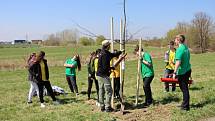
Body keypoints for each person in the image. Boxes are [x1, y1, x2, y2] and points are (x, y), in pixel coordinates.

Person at [96, 40, 122, 112]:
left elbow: (113, 55)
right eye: (109, 45)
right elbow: (104, 67)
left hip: (99, 74)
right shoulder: (105, 54)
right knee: (109, 91)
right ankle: (108, 107)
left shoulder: (103, 52)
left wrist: (120, 52)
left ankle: (102, 106)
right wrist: (111, 69)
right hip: (103, 75)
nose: (110, 46)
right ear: (107, 46)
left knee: (101, 90)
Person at [173, 34, 192, 111]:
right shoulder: (186, 48)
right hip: (188, 70)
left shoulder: (179, 49)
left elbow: (178, 62)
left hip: (183, 72)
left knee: (184, 89)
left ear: (178, 40)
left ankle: (185, 106)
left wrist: (174, 72)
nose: (174, 41)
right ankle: (185, 103)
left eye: (175, 40)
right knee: (185, 88)